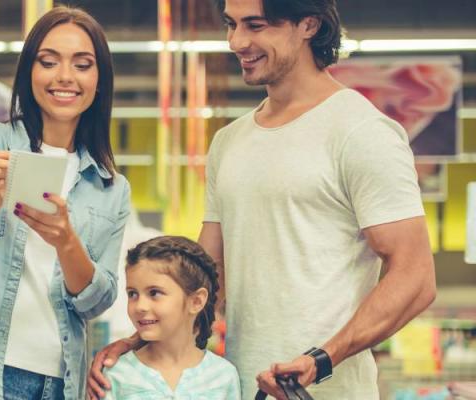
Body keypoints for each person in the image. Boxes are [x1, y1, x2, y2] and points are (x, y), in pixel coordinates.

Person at [87, 0, 437, 399]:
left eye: (255, 25)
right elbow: (202, 275)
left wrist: (321, 359)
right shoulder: (229, 142)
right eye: (231, 24)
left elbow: (416, 277)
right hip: (241, 385)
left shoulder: (361, 131)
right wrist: (141, 341)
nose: (236, 41)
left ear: (308, 24)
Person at [0, 6, 130, 400]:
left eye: (82, 65)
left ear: (100, 80)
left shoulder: (110, 186)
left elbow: (97, 300)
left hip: (59, 383)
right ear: (28, 72)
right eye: (48, 62)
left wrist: (67, 241)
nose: (65, 77)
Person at [102, 236, 240, 399]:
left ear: (196, 301)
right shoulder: (117, 373)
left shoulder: (223, 376)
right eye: (132, 294)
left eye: (154, 293)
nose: (140, 306)